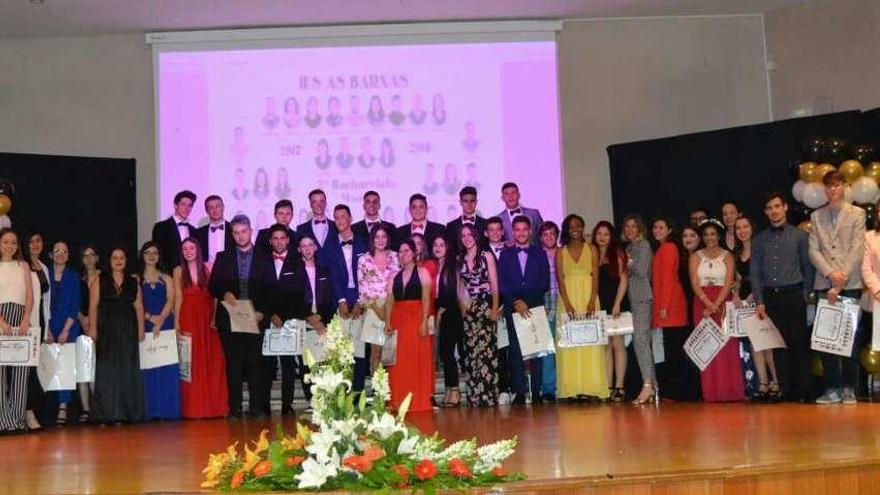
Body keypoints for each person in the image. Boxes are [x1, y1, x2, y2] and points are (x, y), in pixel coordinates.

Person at [209, 214, 274, 418]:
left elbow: (272, 289)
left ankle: (256, 407)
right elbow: (213, 285)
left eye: (243, 231)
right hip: (230, 318)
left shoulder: (265, 257)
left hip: (255, 317)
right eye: (236, 233)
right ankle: (234, 408)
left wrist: (262, 312)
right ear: (232, 234)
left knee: (256, 364)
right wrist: (223, 293)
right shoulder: (223, 256)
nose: (240, 236)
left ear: (251, 231)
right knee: (234, 364)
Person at [809, 171, 865, 405]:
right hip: (825, 282)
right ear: (825, 190)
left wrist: (840, 280)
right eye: (829, 186)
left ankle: (849, 388)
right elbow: (813, 251)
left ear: (844, 187)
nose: (833, 189)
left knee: (849, 337)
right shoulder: (816, 216)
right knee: (827, 339)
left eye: (837, 185)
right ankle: (832, 388)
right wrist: (830, 274)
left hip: (850, 284)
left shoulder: (857, 213)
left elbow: (857, 248)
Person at [751, 192, 812, 402]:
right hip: (771, 298)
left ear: (785, 207)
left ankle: (803, 390)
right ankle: (784, 390)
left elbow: (807, 267)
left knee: (799, 345)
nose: (774, 211)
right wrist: (759, 301)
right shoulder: (758, 240)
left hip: (795, 295)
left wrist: (806, 294)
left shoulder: (799, 236)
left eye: (777, 206)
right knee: (778, 346)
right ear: (765, 212)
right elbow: (755, 272)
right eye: (769, 208)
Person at [89, 247, 146, 424]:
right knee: (106, 371)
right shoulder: (99, 280)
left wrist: (141, 329)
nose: (118, 261)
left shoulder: (133, 281)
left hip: (128, 330)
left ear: (126, 260)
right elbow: (93, 306)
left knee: (127, 371)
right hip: (106, 330)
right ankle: (106, 414)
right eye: (115, 257)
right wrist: (93, 329)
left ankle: (126, 413)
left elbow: (138, 307)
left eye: (122, 257)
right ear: (109, 260)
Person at [690, 220, 744, 402]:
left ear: (718, 235)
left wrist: (717, 304)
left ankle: (731, 391)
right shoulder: (695, 256)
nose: (709, 238)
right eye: (705, 235)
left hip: (723, 301)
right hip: (702, 303)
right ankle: (711, 392)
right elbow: (694, 283)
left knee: (727, 345)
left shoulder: (727, 255)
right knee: (708, 346)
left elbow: (730, 281)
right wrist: (707, 303)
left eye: (712, 234)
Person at [175, 238, 228, 419]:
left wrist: (214, 317)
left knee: (214, 361)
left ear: (197, 249)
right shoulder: (178, 271)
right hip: (189, 318)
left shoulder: (208, 266)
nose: (188, 251)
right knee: (192, 364)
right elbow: (178, 299)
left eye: (191, 248)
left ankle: (215, 408)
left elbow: (214, 296)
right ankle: (195, 409)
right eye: (184, 249)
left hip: (207, 319)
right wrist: (177, 324)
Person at [555, 214, 606, 402]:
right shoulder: (560, 252)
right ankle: (571, 389)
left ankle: (591, 387)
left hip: (588, 298)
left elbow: (596, 276)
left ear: (583, 228)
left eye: (578, 226)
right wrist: (567, 303)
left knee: (590, 344)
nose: (575, 229)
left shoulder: (591, 249)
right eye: (571, 226)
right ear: (566, 230)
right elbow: (560, 279)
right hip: (567, 299)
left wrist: (592, 300)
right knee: (569, 345)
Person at [499, 216, 549, 405]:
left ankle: (536, 391)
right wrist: (516, 302)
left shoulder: (540, 253)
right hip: (514, 308)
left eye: (524, 229)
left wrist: (527, 302)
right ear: (513, 231)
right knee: (515, 350)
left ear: (530, 232)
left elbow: (544, 282)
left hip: (535, 306)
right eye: (517, 230)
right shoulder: (506, 254)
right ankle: (520, 391)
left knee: (537, 350)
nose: (521, 233)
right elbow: (503, 283)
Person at [324, 205, 370, 394]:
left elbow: (369, 274)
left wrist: (360, 301)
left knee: (359, 348)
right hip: (340, 299)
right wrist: (341, 301)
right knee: (343, 348)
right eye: (336, 218)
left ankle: (359, 389)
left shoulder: (363, 243)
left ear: (350, 218)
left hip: (361, 299)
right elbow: (332, 276)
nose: (340, 220)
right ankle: (344, 390)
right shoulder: (330, 246)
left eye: (343, 216)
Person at [734, 216, 779, 402]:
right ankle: (763, 383)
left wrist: (755, 293)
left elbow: (766, 273)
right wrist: (736, 294)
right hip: (745, 302)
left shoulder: (761, 248)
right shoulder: (737, 253)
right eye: (738, 228)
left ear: (752, 228)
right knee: (755, 343)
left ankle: (776, 382)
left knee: (768, 342)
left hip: (762, 298)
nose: (742, 230)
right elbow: (737, 278)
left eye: (745, 226)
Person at [384, 239, 433, 412]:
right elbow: (390, 301)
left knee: (415, 359)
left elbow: (426, 298)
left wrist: (424, 321)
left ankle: (417, 400)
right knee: (397, 362)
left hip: (416, 318)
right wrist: (388, 322)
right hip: (398, 320)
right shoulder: (393, 276)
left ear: (414, 253)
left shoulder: (423, 272)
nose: (402, 254)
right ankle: (397, 399)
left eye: (406, 250)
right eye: (400, 251)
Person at [138, 241, 181, 420]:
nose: (151, 255)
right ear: (142, 255)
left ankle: (168, 411)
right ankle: (151, 411)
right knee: (149, 368)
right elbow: (137, 303)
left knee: (166, 367)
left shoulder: (167, 278)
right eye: (148, 252)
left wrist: (161, 319)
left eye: (155, 252)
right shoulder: (136, 278)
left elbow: (171, 300)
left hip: (165, 325)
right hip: (145, 325)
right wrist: (150, 318)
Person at [459, 224, 501, 406]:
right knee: (471, 354)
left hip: (485, 307)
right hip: (469, 309)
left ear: (476, 236)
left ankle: (489, 395)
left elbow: (494, 285)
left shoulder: (486, 256)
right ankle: (474, 396)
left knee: (487, 353)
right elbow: (460, 285)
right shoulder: (460, 258)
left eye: (470, 234)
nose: (467, 238)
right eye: (463, 235)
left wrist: (494, 308)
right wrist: (462, 306)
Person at [265, 224, 304, 415]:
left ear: (288, 240)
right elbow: (259, 290)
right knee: (267, 365)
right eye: (275, 238)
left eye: (282, 238)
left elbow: (299, 292)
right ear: (270, 240)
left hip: (289, 319)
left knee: (289, 365)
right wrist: (271, 314)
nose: (279, 242)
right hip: (268, 319)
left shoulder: (298, 262)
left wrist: (283, 315)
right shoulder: (263, 261)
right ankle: (264, 404)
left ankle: (286, 405)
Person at [650, 218, 689, 401]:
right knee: (669, 348)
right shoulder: (663, 248)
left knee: (672, 349)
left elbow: (667, 279)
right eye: (655, 227)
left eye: (661, 227)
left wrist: (664, 306)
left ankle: (675, 391)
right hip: (666, 305)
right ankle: (672, 391)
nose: (657, 230)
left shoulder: (668, 248)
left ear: (669, 230)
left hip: (671, 306)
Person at [0, 228, 33, 433]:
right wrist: (1, 322)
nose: (10, 246)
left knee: (21, 370)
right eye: (5, 242)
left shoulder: (23, 266)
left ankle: (17, 420)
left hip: (20, 316)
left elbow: (29, 295)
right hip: (1, 316)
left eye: (13, 242)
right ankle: (3, 420)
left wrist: (26, 318)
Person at [592, 221, 629, 403]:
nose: (602, 237)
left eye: (606, 234)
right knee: (605, 346)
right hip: (600, 306)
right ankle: (608, 386)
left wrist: (617, 303)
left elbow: (623, 280)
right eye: (599, 233)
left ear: (611, 236)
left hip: (616, 305)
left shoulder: (618, 254)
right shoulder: (592, 254)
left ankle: (620, 386)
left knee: (618, 345)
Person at [623, 214, 657, 405]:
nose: (629, 230)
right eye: (627, 227)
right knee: (640, 342)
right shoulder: (629, 247)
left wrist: (627, 262)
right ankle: (651, 384)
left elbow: (642, 270)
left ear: (639, 228)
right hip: (633, 299)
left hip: (642, 297)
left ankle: (647, 385)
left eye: (633, 226)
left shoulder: (643, 245)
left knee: (641, 341)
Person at [357, 225, 400, 374]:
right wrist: (377, 309)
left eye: (384, 237)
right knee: (376, 353)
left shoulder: (396, 256)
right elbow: (362, 289)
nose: (380, 240)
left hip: (394, 306)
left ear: (388, 238)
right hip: (373, 309)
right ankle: (377, 391)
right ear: (372, 239)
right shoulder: (364, 259)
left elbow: (401, 283)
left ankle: (390, 391)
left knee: (391, 353)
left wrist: (388, 309)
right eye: (377, 237)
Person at [47, 241, 81, 425]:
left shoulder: (73, 277)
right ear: (51, 255)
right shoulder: (45, 274)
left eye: (64, 251)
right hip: (48, 328)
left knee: (65, 367)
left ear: (68, 255)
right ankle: (46, 407)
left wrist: (65, 330)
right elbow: (42, 303)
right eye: (57, 251)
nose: (60, 254)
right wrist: (48, 330)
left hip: (68, 327)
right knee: (48, 366)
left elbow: (74, 305)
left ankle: (63, 406)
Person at [433, 235, 462, 407]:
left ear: (448, 247)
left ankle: (455, 392)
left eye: (441, 244)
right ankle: (449, 390)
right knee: (445, 354)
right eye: (435, 244)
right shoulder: (438, 266)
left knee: (449, 354)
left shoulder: (452, 266)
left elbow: (453, 292)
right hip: (443, 312)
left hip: (452, 312)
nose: (437, 247)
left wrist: (443, 308)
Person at [25, 231, 49, 430]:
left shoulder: (44, 267)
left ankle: (29, 410)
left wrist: (46, 328)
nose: (35, 244)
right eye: (31, 241)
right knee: (26, 370)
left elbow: (46, 303)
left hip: (39, 324)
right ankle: (27, 412)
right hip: (26, 323)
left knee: (34, 369)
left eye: (38, 241)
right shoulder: (22, 266)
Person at [76, 244, 100, 422]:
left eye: (92, 255)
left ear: (97, 258)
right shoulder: (77, 279)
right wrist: (82, 319)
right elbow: (73, 302)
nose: (89, 259)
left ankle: (100, 407)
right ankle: (85, 408)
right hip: (81, 327)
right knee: (84, 368)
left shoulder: (105, 278)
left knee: (99, 368)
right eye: (86, 256)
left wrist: (95, 322)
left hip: (102, 328)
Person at [539, 221, 559, 402]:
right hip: (545, 304)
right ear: (540, 238)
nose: (549, 237)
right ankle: (548, 388)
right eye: (545, 234)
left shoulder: (563, 253)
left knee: (565, 346)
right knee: (548, 349)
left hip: (564, 302)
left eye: (552, 233)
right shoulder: (538, 255)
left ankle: (567, 385)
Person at [152, 190, 197, 270]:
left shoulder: (194, 230)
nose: (186, 208)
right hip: (168, 274)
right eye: (183, 204)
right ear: (175, 205)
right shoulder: (161, 227)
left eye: (189, 205)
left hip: (189, 275)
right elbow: (157, 253)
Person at [196, 195, 234, 263]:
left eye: (217, 206)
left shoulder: (234, 229)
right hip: (207, 271)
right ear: (206, 211)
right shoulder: (199, 233)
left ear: (223, 207)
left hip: (231, 271)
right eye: (211, 207)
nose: (215, 210)